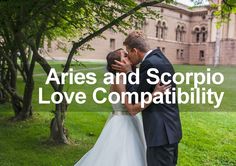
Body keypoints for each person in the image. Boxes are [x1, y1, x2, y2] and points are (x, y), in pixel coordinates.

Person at [74, 48, 170, 166]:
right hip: (123, 124)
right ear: (117, 64)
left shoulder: (129, 77)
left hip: (133, 122)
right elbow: (132, 109)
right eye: (125, 56)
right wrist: (154, 95)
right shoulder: (119, 81)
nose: (129, 56)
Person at [112, 31, 182, 166]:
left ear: (135, 51)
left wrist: (128, 72)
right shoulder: (160, 57)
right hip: (171, 130)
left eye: (128, 53)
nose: (128, 58)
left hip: (160, 134)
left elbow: (134, 97)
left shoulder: (149, 64)